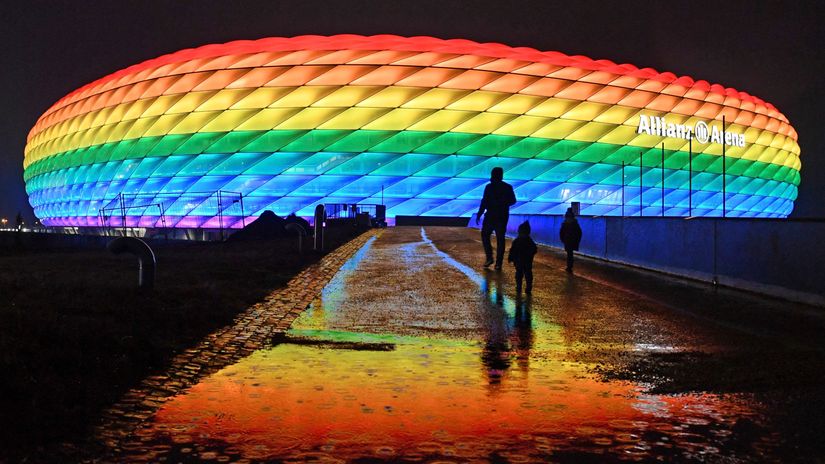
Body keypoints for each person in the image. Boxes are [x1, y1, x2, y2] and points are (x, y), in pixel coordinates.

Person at [476, 167, 516, 270]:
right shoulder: (507, 187)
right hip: (502, 216)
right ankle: (498, 263)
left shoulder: (489, 187)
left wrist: (480, 213)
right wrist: (503, 203)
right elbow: (513, 200)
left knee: (485, 235)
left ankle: (489, 257)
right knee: (500, 239)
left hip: (490, 215)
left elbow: (484, 201)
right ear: (501, 175)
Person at [508, 220, 537, 295]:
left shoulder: (517, 241)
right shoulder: (529, 241)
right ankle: (526, 286)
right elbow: (534, 249)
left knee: (520, 274)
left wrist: (511, 258)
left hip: (519, 261)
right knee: (527, 274)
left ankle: (520, 286)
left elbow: (512, 250)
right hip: (526, 261)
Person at [559, 208, 582, 273]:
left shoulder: (565, 223)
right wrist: (577, 240)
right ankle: (570, 266)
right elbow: (579, 232)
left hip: (567, 239)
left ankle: (569, 266)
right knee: (570, 253)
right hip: (572, 239)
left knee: (569, 253)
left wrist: (562, 239)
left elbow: (562, 232)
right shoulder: (575, 223)